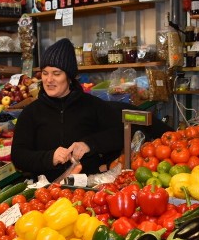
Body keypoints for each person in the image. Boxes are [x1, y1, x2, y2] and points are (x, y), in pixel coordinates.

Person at [11, 38, 124, 181]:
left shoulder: (93, 105)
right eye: (45, 73)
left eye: (56, 73)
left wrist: (89, 144)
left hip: (89, 188)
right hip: (46, 193)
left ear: (69, 77)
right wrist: (49, 157)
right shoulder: (31, 113)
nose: (49, 79)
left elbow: (120, 135)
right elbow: (19, 156)